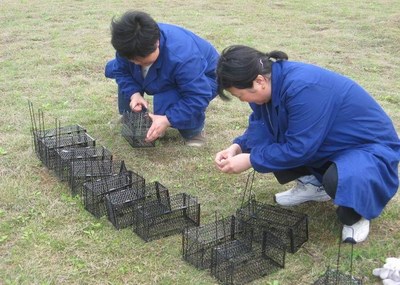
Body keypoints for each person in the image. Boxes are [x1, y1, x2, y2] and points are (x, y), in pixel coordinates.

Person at [214, 45, 400, 244]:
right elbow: (262, 125)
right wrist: (239, 147)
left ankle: (357, 214)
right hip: (327, 141)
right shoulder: (268, 87)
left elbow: (299, 148)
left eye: (241, 95)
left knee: (340, 177)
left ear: (259, 81)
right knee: (277, 137)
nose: (243, 101)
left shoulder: (303, 87)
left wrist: (251, 159)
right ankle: (313, 185)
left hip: (367, 148)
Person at [105, 10, 219, 147]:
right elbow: (121, 71)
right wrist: (134, 94)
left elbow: (197, 95)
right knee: (120, 69)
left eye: (141, 60)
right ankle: (133, 118)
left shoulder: (183, 57)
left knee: (166, 96)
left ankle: (194, 131)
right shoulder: (128, 44)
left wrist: (167, 119)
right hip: (174, 70)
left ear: (156, 43)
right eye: (132, 59)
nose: (136, 63)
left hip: (206, 79)